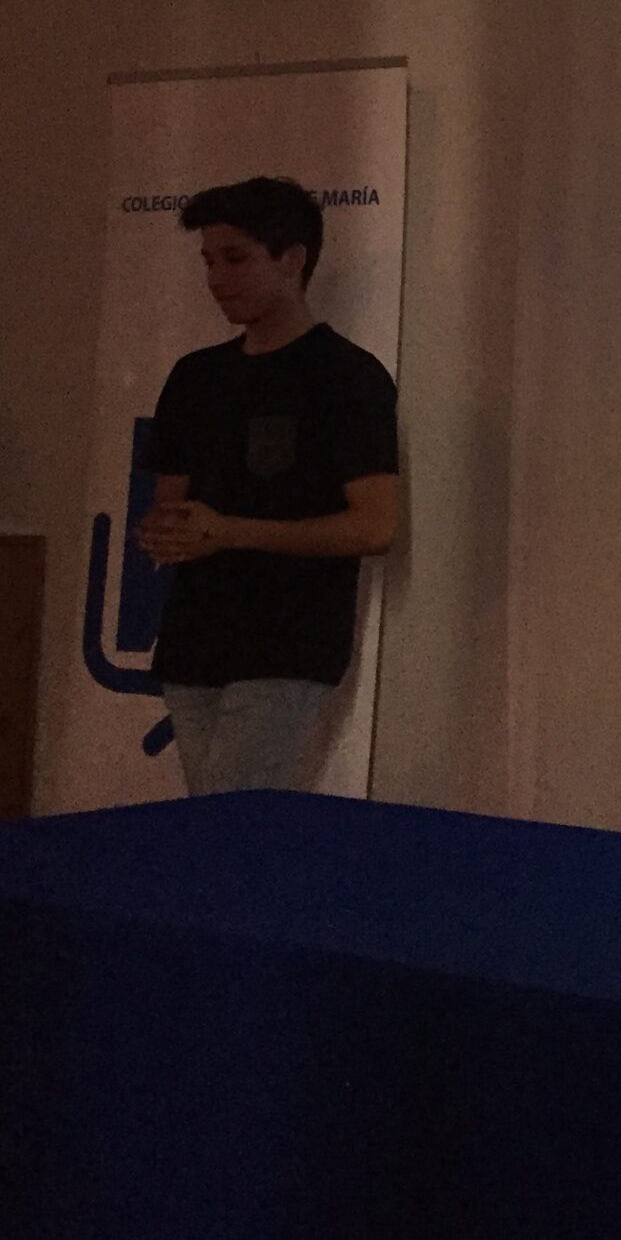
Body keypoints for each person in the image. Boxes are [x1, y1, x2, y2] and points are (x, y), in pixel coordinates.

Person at [135, 176, 397, 796]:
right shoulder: (195, 377)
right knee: (212, 822)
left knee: (232, 821)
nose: (216, 278)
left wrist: (228, 531)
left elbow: (375, 526)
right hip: (193, 640)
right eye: (208, 261)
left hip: (286, 643)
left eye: (235, 258)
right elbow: (170, 506)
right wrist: (166, 532)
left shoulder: (346, 376)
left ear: (292, 259)